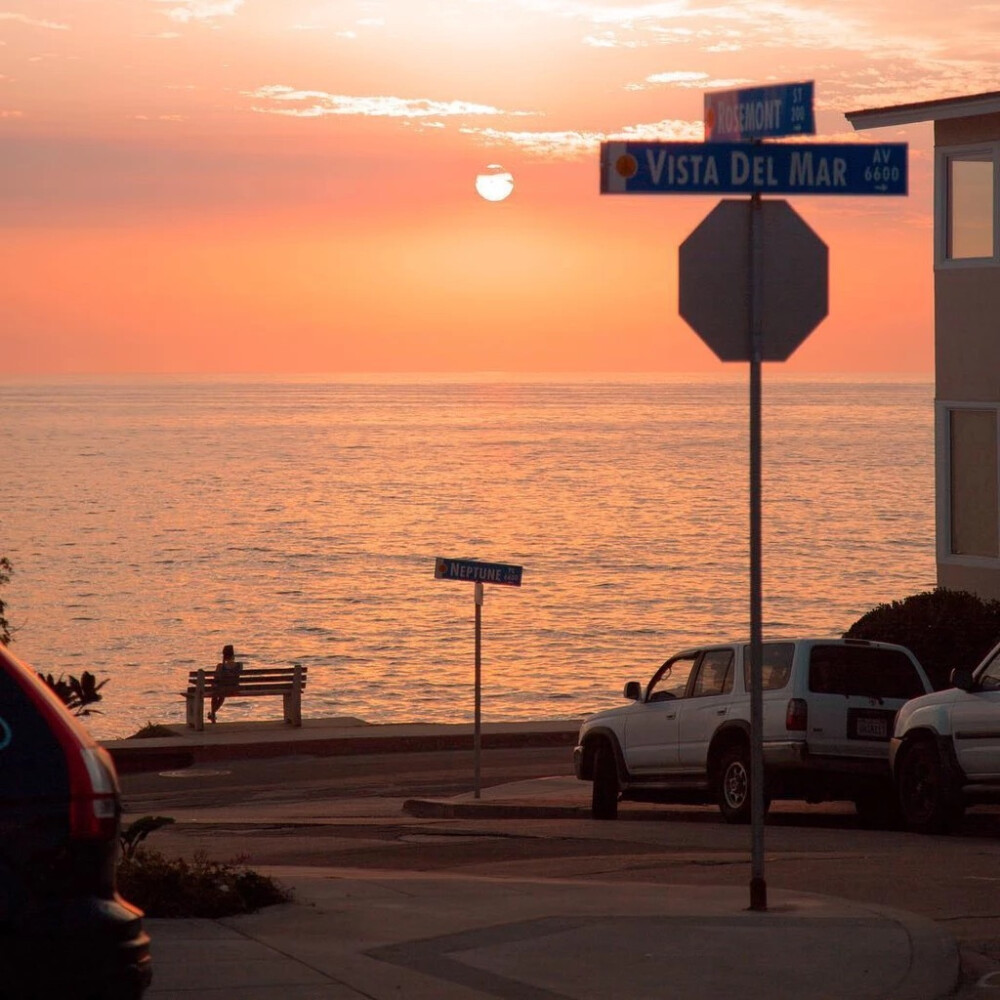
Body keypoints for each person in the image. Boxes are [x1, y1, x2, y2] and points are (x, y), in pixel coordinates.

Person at [208, 644, 241, 723]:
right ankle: (212, 714)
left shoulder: (220, 666)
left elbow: (216, 679)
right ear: (233, 654)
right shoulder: (239, 665)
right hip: (234, 689)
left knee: (216, 693)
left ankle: (213, 714)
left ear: (224, 655)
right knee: (221, 694)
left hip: (222, 689)